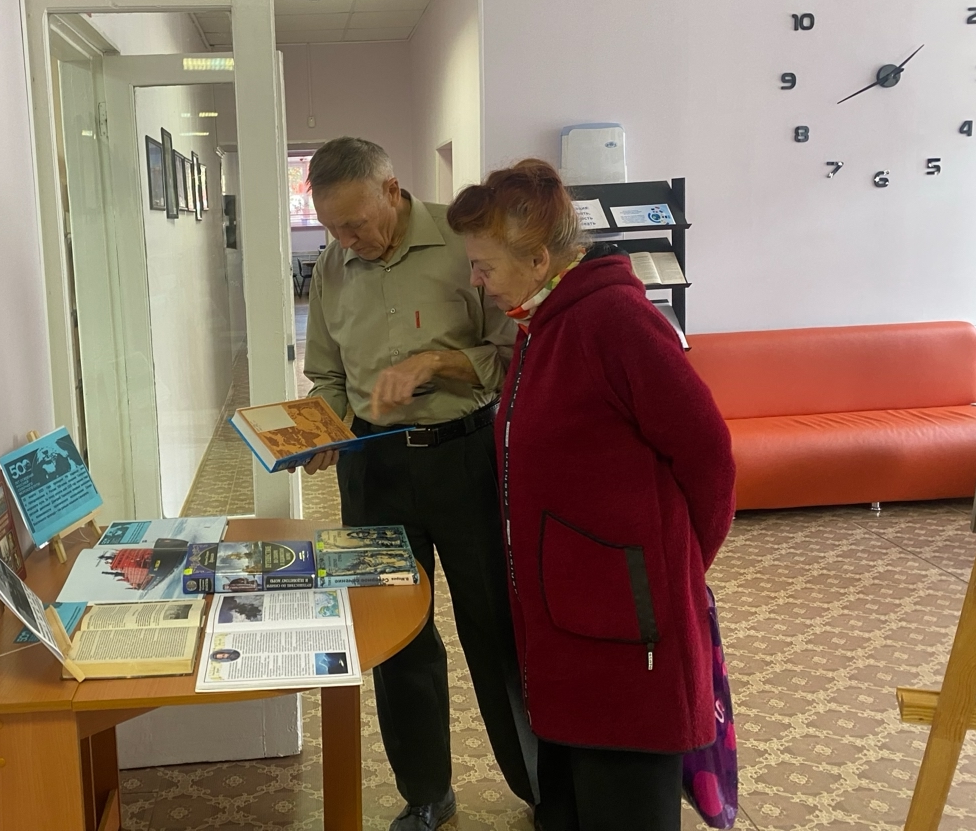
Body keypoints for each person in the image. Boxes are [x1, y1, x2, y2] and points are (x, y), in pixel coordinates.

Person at [445, 159, 736, 831]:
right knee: (570, 804)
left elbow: (709, 457)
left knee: (624, 806)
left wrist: (672, 571)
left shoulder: (616, 320)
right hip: (569, 625)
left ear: (538, 259)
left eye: (484, 266)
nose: (476, 280)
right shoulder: (542, 322)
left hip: (627, 637)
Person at [301, 137, 536, 831]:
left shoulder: (466, 244)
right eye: (333, 228)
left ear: (392, 190)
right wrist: (322, 424)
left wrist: (436, 362)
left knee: (494, 629)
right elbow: (327, 375)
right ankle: (427, 793)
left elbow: (511, 355)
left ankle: (538, 784)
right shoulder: (333, 265)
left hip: (463, 458)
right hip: (371, 469)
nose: (346, 241)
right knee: (396, 637)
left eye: (355, 224)